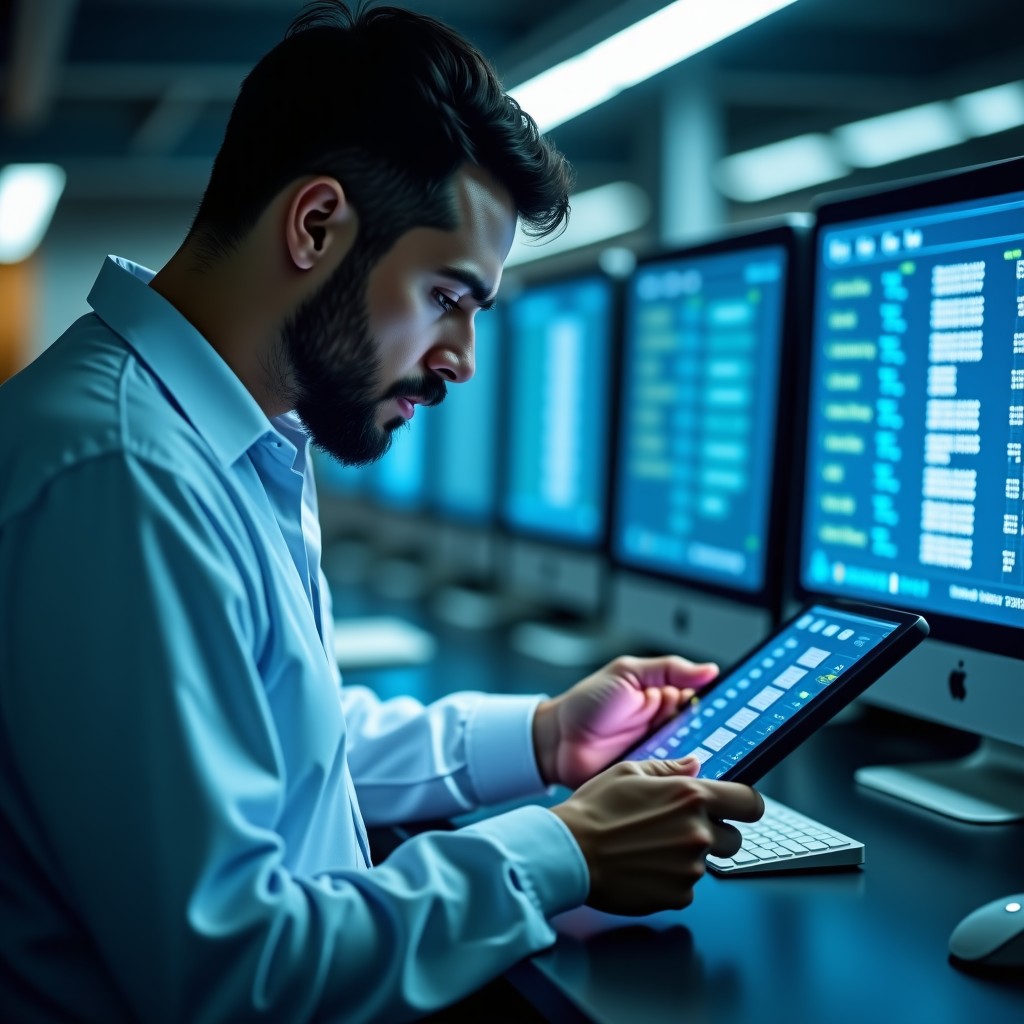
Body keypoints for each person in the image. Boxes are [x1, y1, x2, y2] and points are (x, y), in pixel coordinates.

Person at [0, 2, 764, 1021]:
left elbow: (273, 741)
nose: (461, 359)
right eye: (448, 296)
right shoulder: (128, 476)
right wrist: (564, 849)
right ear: (316, 226)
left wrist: (540, 738)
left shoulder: (221, 436)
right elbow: (236, 973)